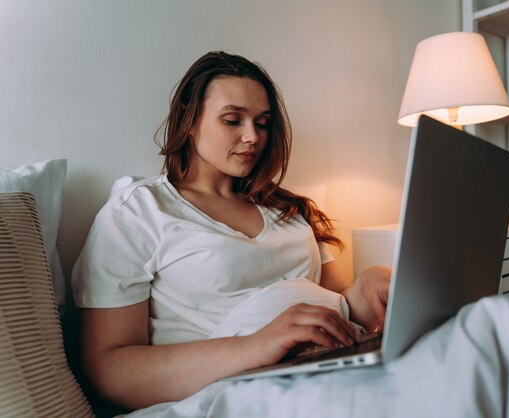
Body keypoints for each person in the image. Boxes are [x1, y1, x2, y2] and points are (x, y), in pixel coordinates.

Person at [71, 51, 391, 410]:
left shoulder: (290, 209)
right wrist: (258, 346)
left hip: (331, 366)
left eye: (263, 122)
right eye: (232, 120)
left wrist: (365, 292)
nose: (252, 137)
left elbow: (338, 307)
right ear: (189, 121)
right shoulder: (140, 211)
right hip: (238, 393)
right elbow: (108, 372)